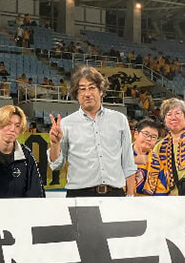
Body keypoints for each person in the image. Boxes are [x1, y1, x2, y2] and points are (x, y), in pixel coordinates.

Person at [48, 65, 137, 197]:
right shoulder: (66, 124)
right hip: (79, 195)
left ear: (101, 90)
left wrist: (130, 194)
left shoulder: (119, 119)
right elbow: (56, 165)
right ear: (76, 94)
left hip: (114, 195)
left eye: (92, 87)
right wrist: (55, 144)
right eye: (82, 89)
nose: (87, 94)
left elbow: (128, 162)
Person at [133, 119, 166, 195]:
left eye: (153, 137)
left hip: (147, 200)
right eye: (146, 134)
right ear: (136, 134)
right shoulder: (119, 155)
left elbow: (161, 192)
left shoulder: (158, 163)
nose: (149, 139)